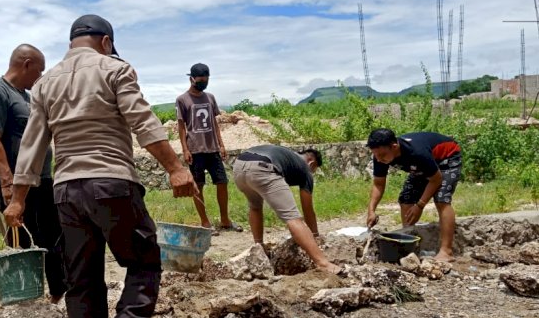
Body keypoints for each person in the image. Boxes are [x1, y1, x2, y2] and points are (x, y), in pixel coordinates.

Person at [3, 15, 196, 318]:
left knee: (81, 277)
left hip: (66, 192)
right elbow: (143, 121)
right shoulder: (115, 70)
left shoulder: (45, 85)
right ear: (106, 42)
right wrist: (176, 168)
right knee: (144, 261)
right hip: (112, 182)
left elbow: (31, 146)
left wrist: (17, 200)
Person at [0, 44, 67, 304]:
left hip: (41, 180)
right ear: (26, 64)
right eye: (38, 71)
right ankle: (25, 298)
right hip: (17, 185)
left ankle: (57, 293)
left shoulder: (26, 97)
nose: (39, 78)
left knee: (52, 236)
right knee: (24, 240)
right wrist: (7, 182)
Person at [232, 145, 340, 274]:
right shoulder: (305, 168)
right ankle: (323, 264)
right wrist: (316, 236)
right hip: (263, 167)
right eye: (314, 170)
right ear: (312, 163)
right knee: (293, 218)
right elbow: (307, 209)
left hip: (239, 166)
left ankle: (259, 249)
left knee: (255, 207)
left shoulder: (288, 156)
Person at [365, 128, 462, 262]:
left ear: (394, 146)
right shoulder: (380, 156)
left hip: (447, 158)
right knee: (406, 198)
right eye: (376, 155)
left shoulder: (417, 152)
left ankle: (447, 251)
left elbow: (436, 179)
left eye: (382, 155)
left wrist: (420, 205)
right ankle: (407, 243)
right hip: (422, 166)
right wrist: (371, 210)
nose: (379, 159)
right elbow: (378, 184)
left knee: (442, 200)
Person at [176, 63, 241, 236]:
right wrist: (185, 149)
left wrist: (221, 144)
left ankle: (225, 220)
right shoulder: (182, 100)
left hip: (212, 148)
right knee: (198, 186)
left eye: (206, 80)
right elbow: (181, 127)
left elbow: (214, 123)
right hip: (195, 150)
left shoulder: (210, 98)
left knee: (222, 182)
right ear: (192, 79)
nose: (204, 83)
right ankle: (205, 223)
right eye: (201, 81)